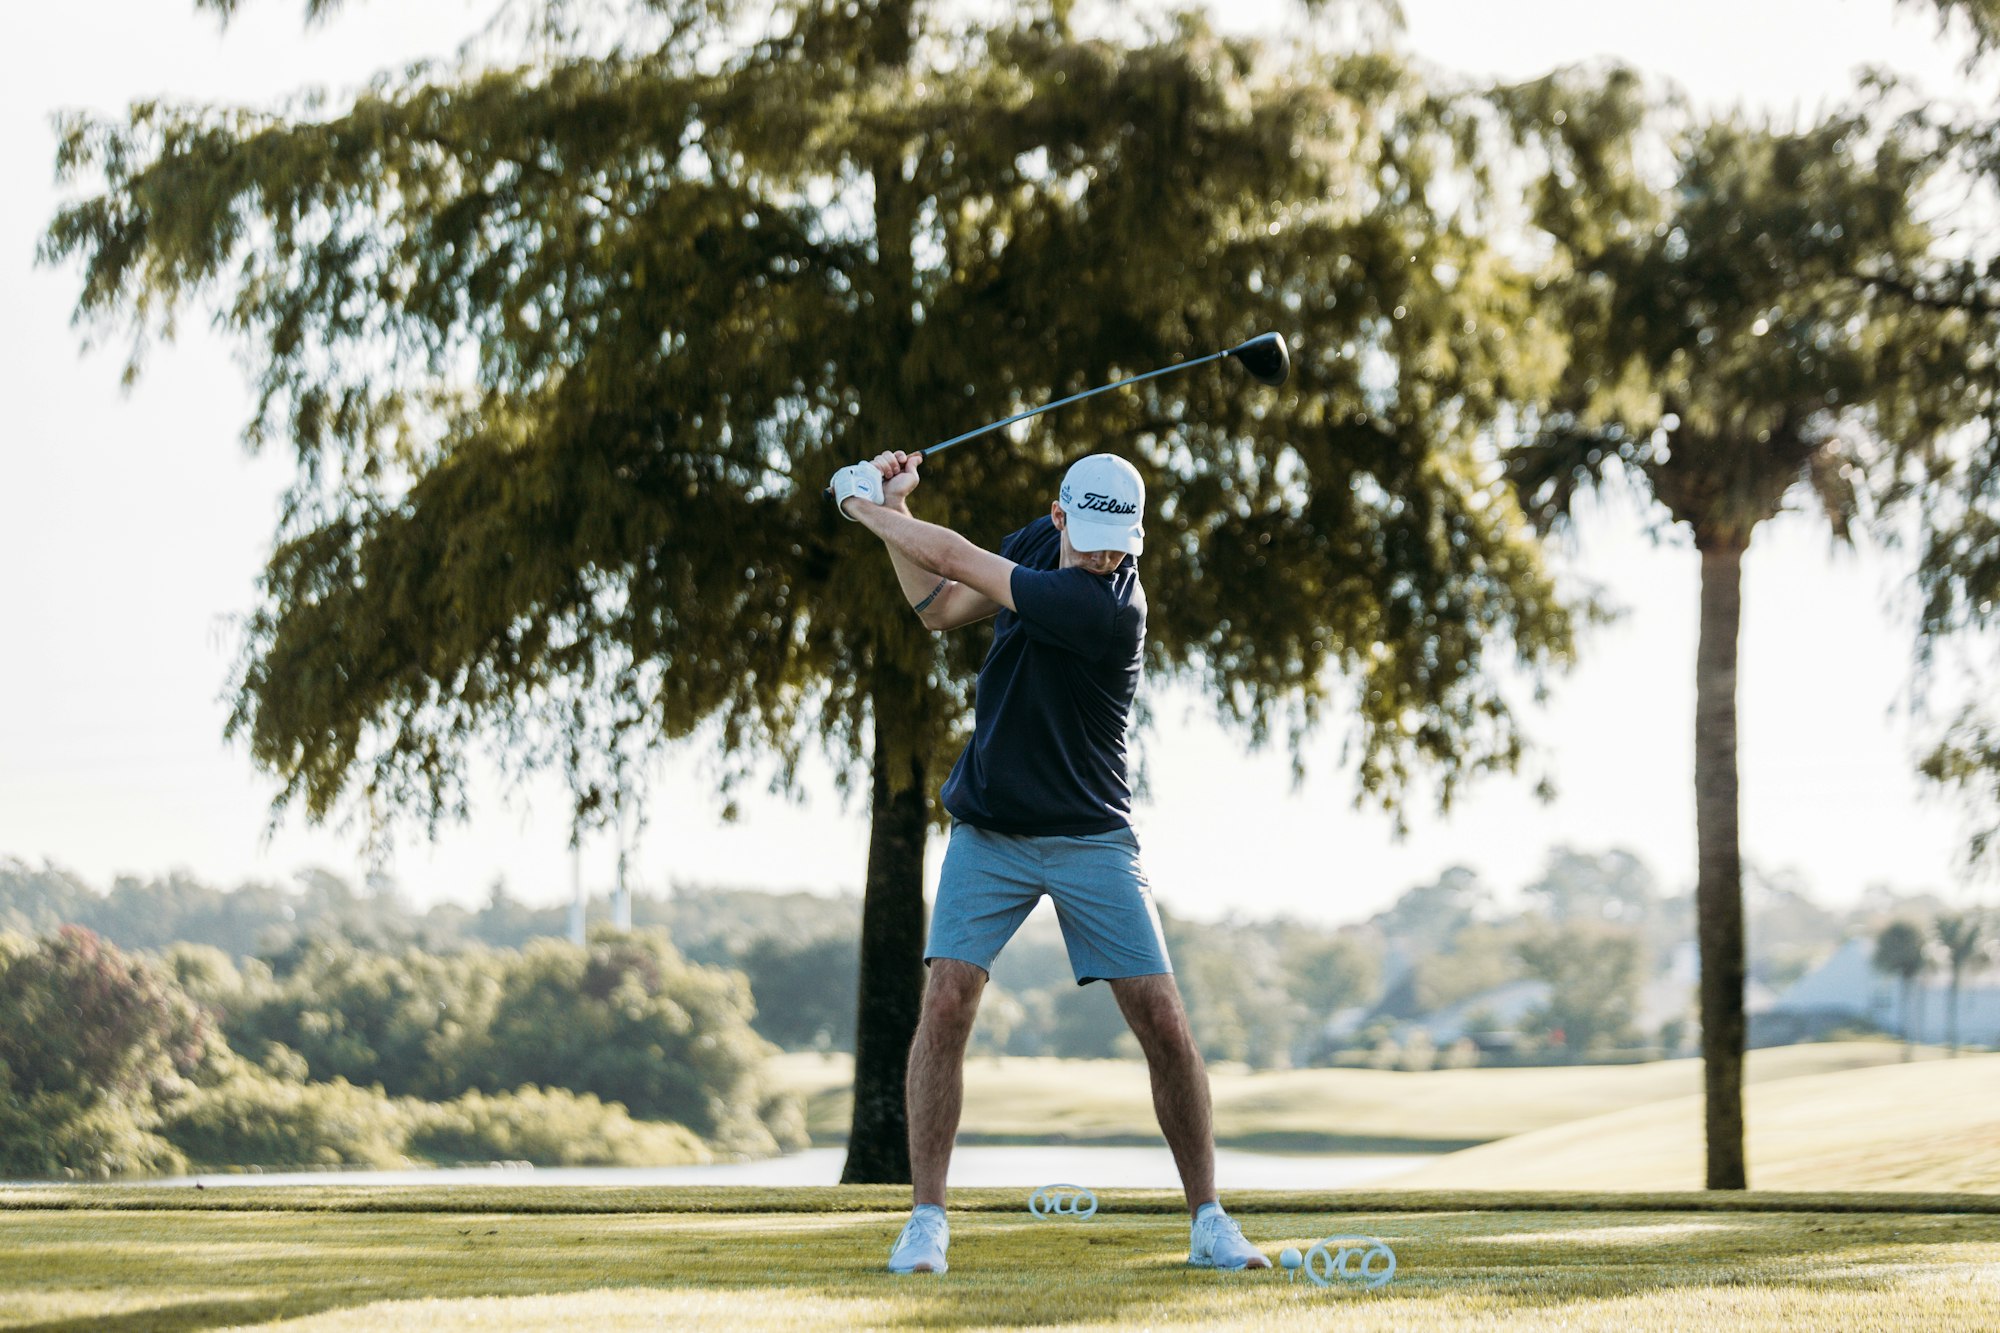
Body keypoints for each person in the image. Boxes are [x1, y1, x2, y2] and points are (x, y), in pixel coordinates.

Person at [837, 448, 1270, 1276]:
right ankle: (926, 1219)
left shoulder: (1108, 606)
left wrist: (863, 510)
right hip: (990, 826)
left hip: (1089, 834)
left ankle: (1209, 1218)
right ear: (1061, 515)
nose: (1108, 554)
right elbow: (938, 602)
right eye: (1095, 534)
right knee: (948, 999)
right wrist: (894, 510)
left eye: (1122, 542)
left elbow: (956, 557)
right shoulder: (1039, 543)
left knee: (1164, 1021)